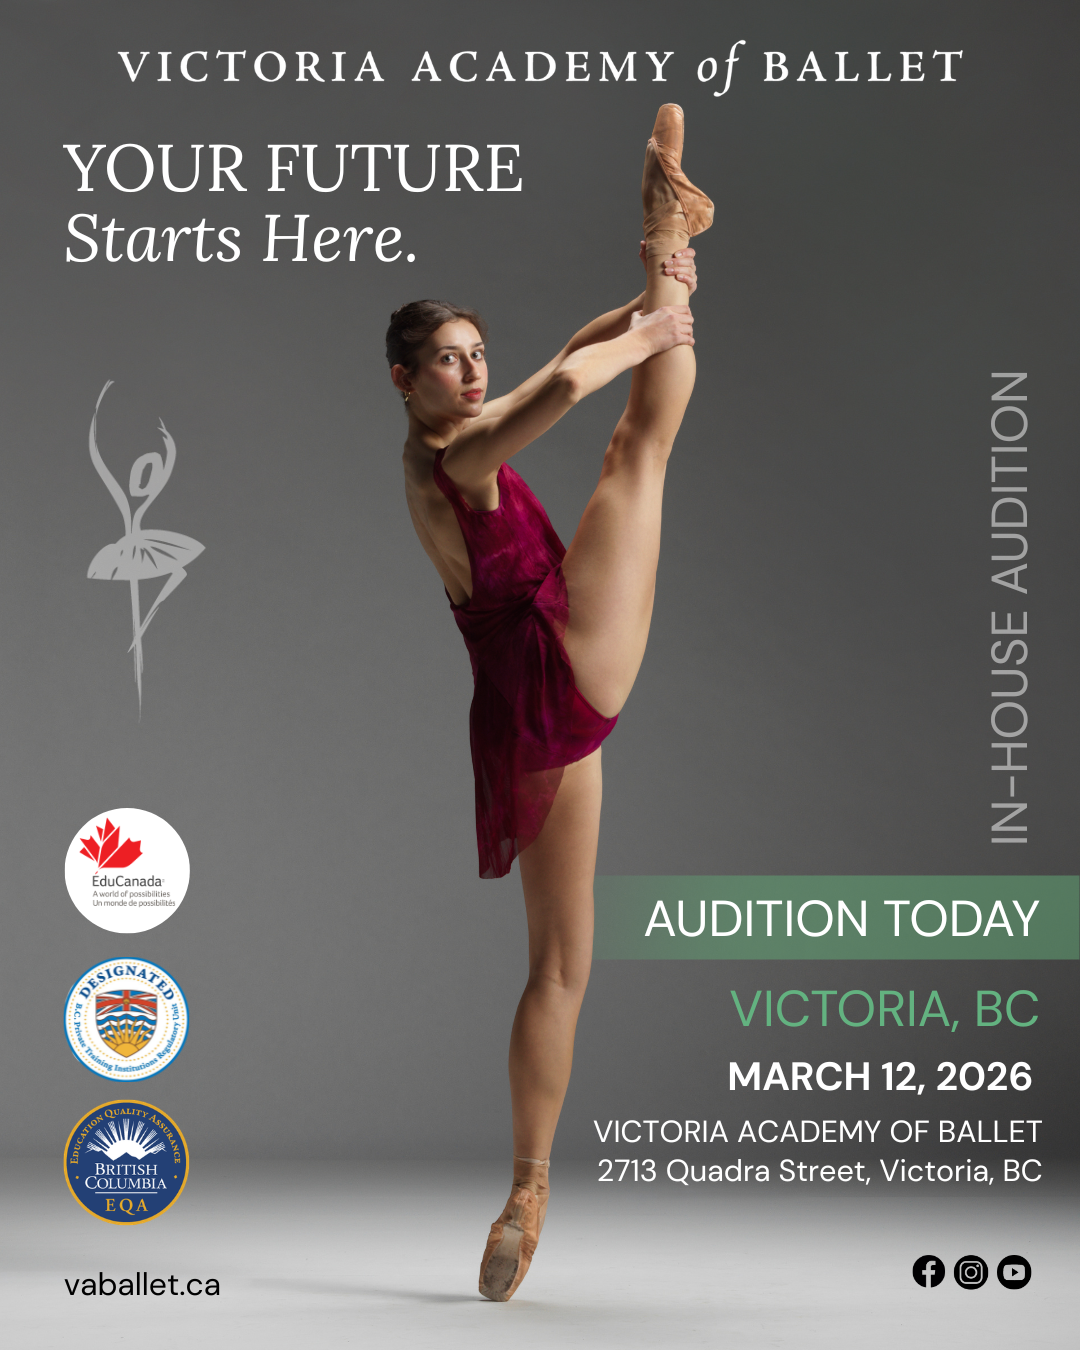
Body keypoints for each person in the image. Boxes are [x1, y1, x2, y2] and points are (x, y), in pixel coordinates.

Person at [387, 105, 712, 1301]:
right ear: (403, 381)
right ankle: (668, 228)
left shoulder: (452, 435)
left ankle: (527, 1191)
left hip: (520, 709)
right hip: (557, 662)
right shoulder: (452, 460)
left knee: (560, 969)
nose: (473, 372)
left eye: (477, 354)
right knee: (638, 446)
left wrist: (638, 308)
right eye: (450, 362)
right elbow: (574, 384)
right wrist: (662, 312)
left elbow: (557, 360)